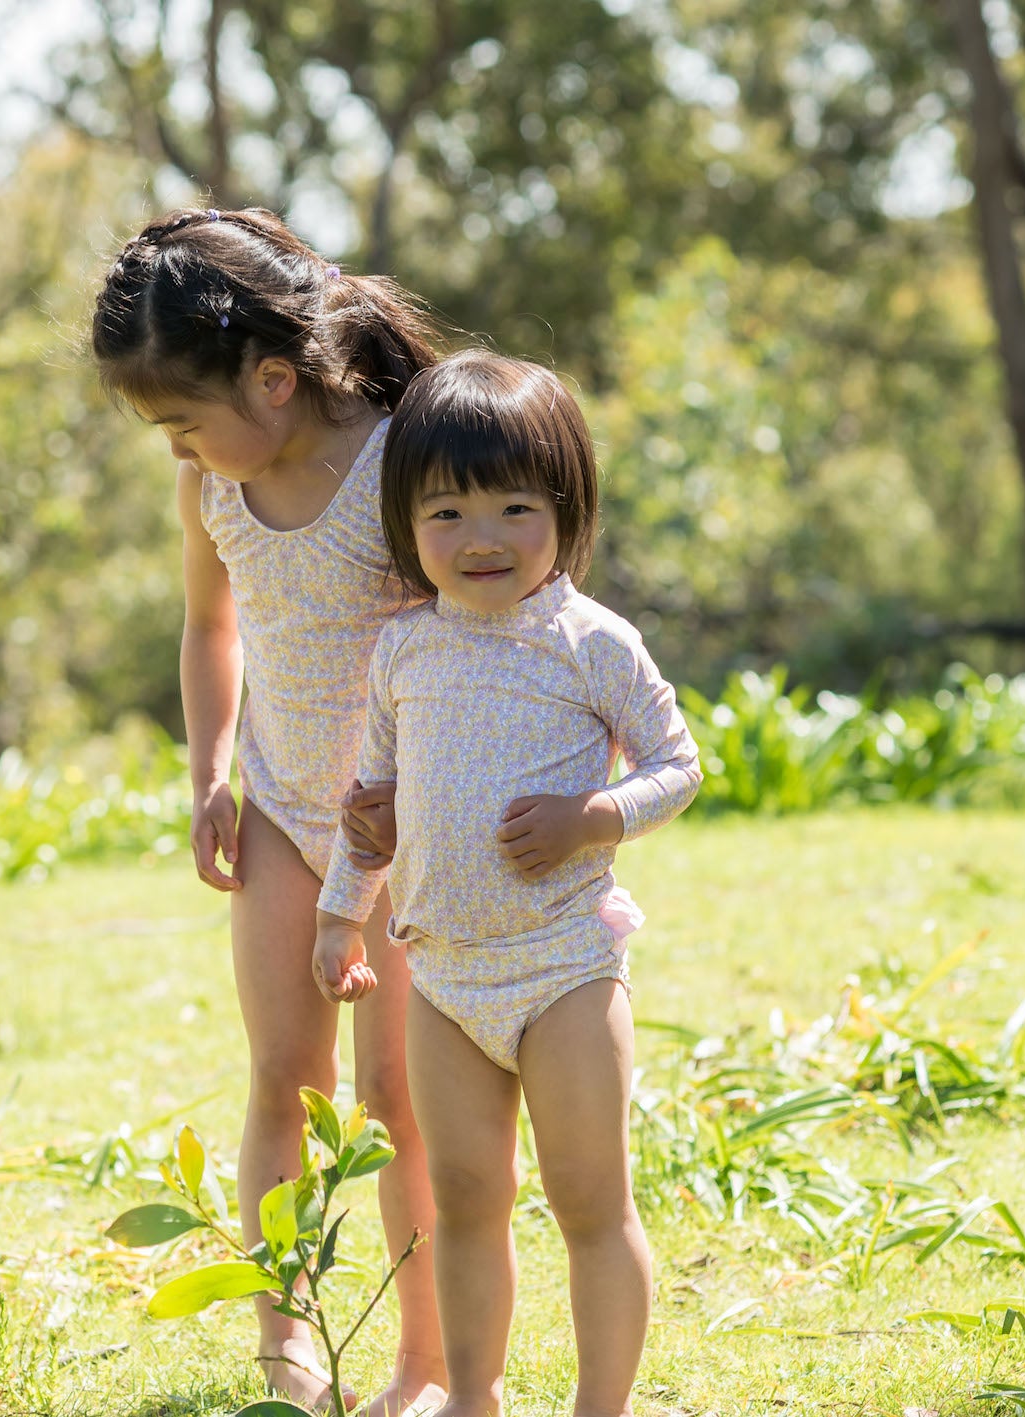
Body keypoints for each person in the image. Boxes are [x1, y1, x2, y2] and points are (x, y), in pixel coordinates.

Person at [90, 207, 447, 1416]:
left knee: (394, 1095)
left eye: (184, 419)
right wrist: (209, 774)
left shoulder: (403, 456)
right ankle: (286, 1352)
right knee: (280, 1081)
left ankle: (426, 1363)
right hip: (285, 815)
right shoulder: (213, 487)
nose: (177, 448)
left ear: (275, 379)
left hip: (408, 831)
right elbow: (210, 627)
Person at [310, 352, 701, 1417]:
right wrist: (342, 908)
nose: (479, 538)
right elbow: (375, 801)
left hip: (564, 968)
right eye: (445, 512)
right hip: (438, 976)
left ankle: (597, 1407)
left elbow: (678, 764)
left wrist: (594, 816)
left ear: (563, 511)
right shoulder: (402, 650)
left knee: (587, 1198)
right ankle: (472, 1396)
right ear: (406, 523)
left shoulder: (589, 641)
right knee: (464, 1199)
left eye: (513, 507)